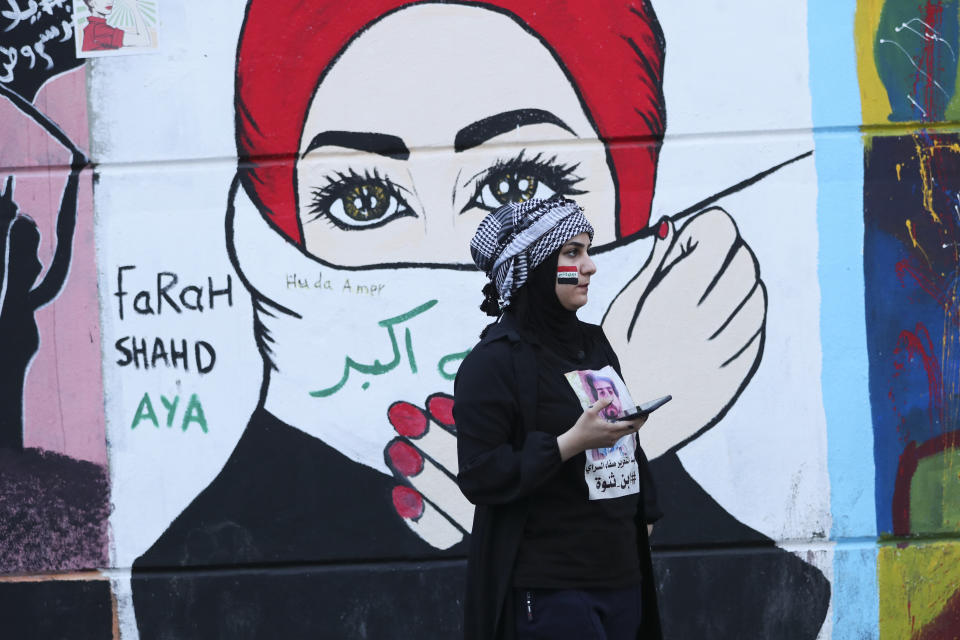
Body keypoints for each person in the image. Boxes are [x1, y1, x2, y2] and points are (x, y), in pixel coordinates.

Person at [455, 196, 661, 640]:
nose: (589, 266)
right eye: (572, 253)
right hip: (551, 590)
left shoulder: (594, 343)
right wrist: (569, 443)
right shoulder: (492, 363)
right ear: (532, 267)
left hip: (621, 577)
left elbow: (623, 439)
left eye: (588, 250)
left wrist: (646, 510)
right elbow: (480, 475)